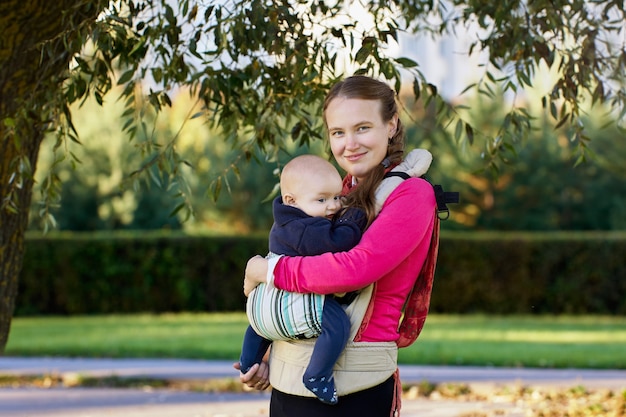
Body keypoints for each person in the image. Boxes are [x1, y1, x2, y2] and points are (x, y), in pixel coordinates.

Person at [237, 75, 441, 417]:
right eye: (338, 132)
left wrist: (267, 270)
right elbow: (306, 279)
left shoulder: (411, 194)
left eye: (363, 128)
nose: (350, 144)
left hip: (354, 391)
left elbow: (355, 270)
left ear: (390, 125)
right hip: (292, 383)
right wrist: (269, 352)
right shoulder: (338, 193)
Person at [239, 153, 367, 405]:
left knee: (259, 327)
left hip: (264, 306)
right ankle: (317, 375)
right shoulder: (307, 228)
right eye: (322, 199)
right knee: (338, 324)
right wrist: (354, 219)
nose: (333, 207)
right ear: (291, 201)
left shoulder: (284, 224)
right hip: (296, 301)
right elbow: (339, 242)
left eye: (337, 198)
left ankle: (248, 362)